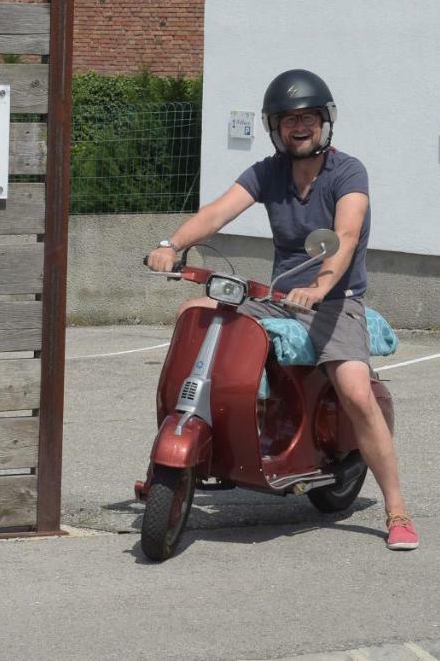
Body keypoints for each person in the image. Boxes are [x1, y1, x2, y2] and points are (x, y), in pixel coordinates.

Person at [145, 68, 419, 551]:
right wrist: (172, 244)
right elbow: (217, 211)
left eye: (308, 118)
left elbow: (347, 236)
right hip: (279, 297)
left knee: (355, 391)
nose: (299, 127)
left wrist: (321, 285)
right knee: (196, 312)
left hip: (335, 302)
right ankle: (172, 466)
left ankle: (397, 509)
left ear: (324, 123)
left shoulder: (348, 172)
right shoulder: (268, 172)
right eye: (288, 119)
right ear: (275, 127)